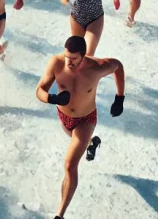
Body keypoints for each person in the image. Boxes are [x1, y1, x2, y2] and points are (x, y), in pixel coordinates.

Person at [35, 36, 125, 219]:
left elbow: (118, 66)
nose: (69, 62)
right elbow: (39, 90)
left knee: (69, 165)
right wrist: (53, 99)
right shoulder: (57, 63)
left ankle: (60, 214)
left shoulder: (97, 67)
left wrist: (119, 98)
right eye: (67, 56)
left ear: (83, 56)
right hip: (64, 117)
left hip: (86, 119)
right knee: (77, 144)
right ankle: (91, 143)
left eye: (74, 59)